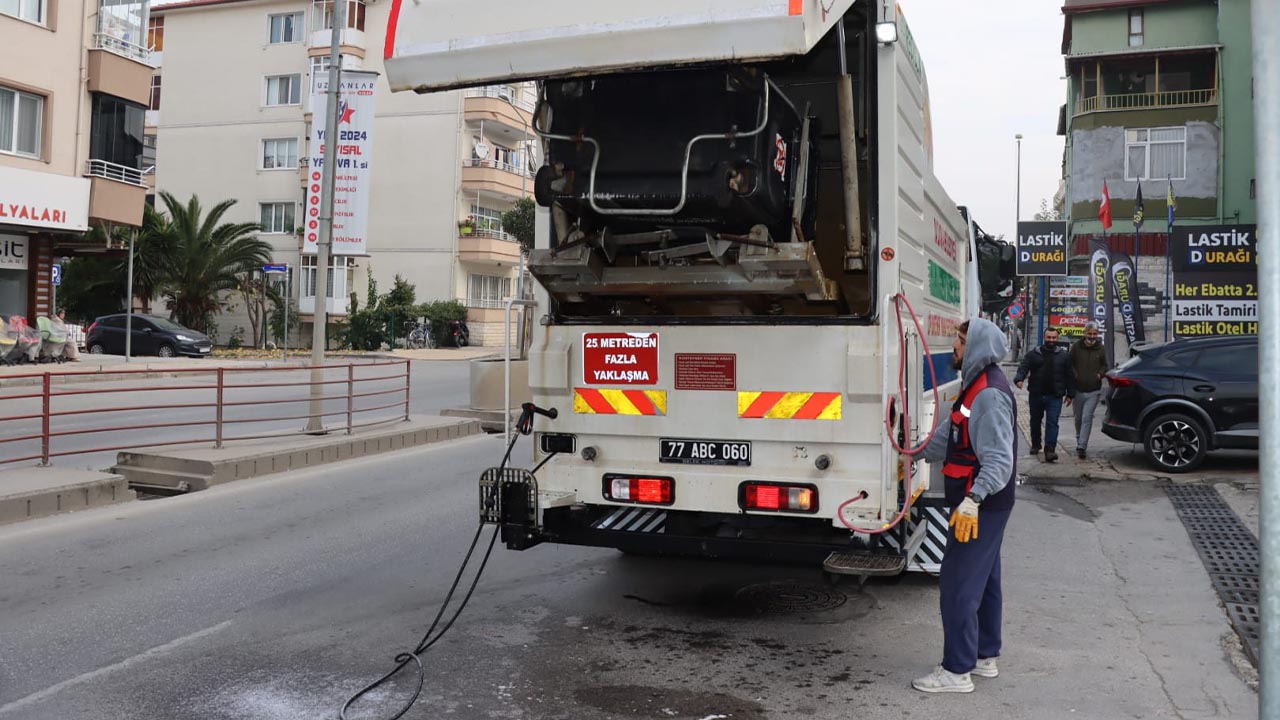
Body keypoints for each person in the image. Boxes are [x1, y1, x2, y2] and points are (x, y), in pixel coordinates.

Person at [909, 318, 1017, 694]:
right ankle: (984, 656)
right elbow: (948, 438)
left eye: (959, 340)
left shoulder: (988, 395)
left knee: (957, 584)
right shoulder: (974, 387)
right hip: (984, 503)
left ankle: (956, 671)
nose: (954, 346)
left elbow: (1000, 460)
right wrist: (912, 454)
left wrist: (973, 500)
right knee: (985, 581)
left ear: (975, 347)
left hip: (980, 505)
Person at [1013, 327, 1074, 463]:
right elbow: (1023, 367)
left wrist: (1070, 394)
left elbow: (1070, 376)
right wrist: (1019, 379)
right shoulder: (1033, 354)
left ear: (1057, 339)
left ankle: (1050, 450)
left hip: (1055, 396)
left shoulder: (1064, 356)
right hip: (1036, 394)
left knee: (1052, 423)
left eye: (1054, 338)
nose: (1051, 340)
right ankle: (1036, 444)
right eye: (1049, 338)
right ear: (1044, 338)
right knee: (1035, 421)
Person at [1069, 322, 1106, 458]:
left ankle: (1082, 446)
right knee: (1078, 418)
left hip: (1094, 390)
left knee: (1087, 417)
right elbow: (1070, 363)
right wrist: (1074, 374)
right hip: (1078, 390)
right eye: (1089, 334)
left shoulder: (1101, 348)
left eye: (1094, 334)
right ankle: (1079, 438)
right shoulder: (1076, 347)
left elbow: (1105, 365)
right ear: (1085, 333)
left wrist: (1100, 374)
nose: (1092, 336)